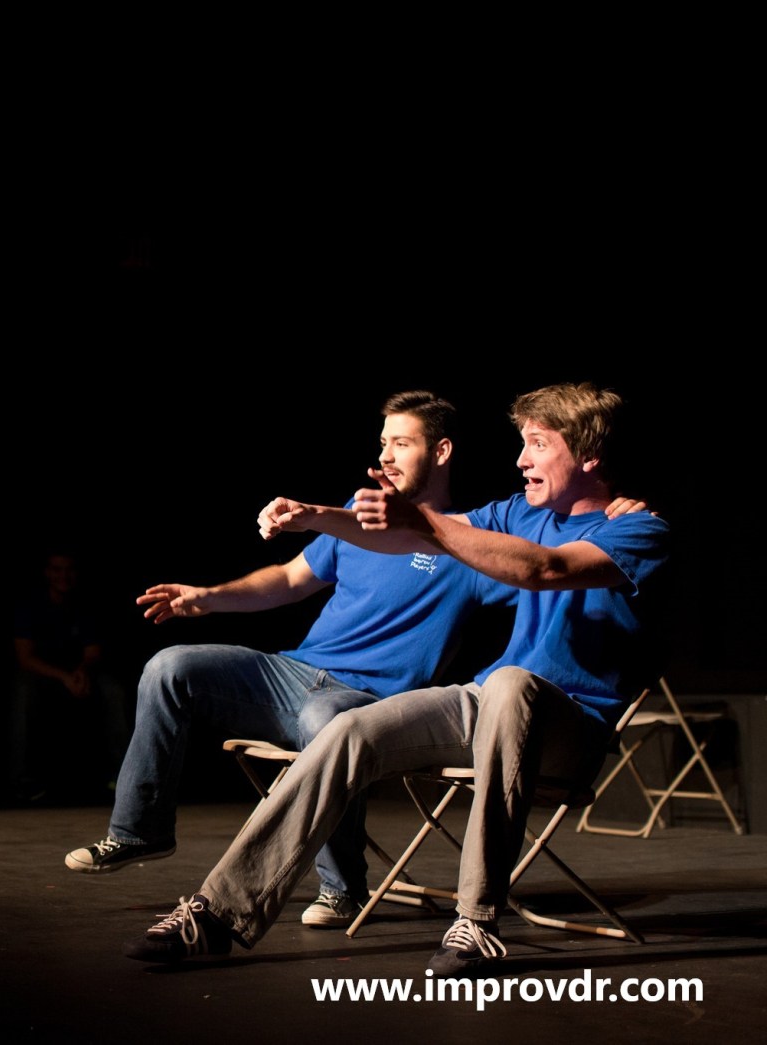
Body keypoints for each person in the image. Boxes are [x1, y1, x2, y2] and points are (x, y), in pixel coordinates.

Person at [122, 382, 669, 978]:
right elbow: (408, 536)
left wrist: (426, 523)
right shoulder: (518, 513)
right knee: (349, 729)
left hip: (568, 726)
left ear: (589, 455)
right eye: (521, 444)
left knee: (512, 682)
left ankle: (477, 921)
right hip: (484, 702)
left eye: (538, 444)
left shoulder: (638, 531)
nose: (520, 460)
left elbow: (547, 569)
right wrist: (316, 517)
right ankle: (218, 913)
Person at [67, 390, 517, 930]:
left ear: (441, 452)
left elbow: (548, 570)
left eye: (402, 443)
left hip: (367, 700)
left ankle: (343, 889)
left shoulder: (474, 540)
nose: (385, 456)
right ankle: (141, 830)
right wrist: (207, 598)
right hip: (294, 673)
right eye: (383, 443)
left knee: (326, 718)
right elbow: (287, 579)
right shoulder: (357, 521)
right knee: (170, 667)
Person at [10, 551, 130, 802]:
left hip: (79, 673)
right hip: (44, 674)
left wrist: (82, 671)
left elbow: (92, 652)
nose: (63, 576)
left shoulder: (85, 605)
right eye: (57, 569)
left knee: (113, 690)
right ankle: (22, 779)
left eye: (68, 569)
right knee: (23, 690)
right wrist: (63, 677)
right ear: (47, 573)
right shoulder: (31, 606)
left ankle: (123, 775)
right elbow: (25, 658)